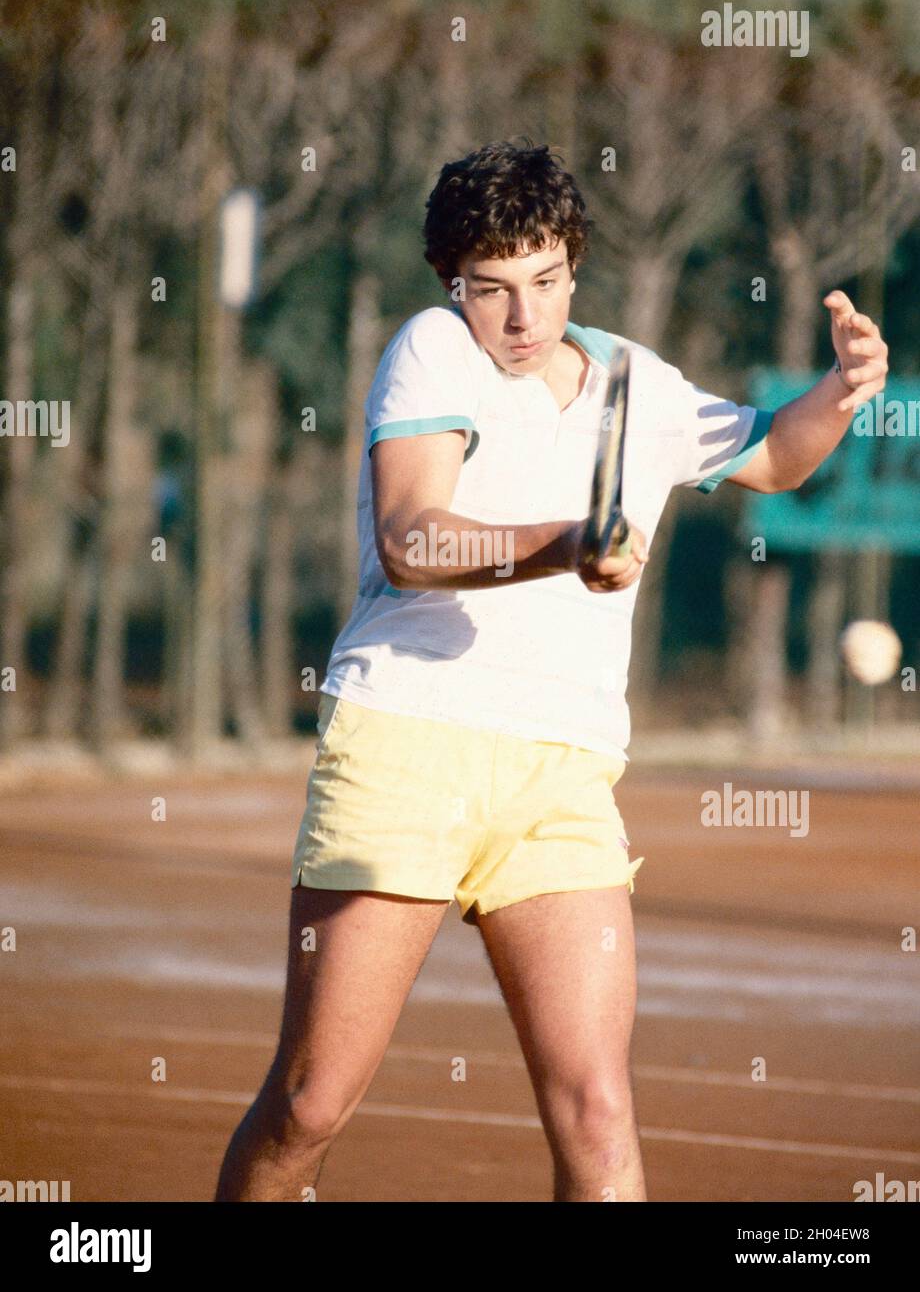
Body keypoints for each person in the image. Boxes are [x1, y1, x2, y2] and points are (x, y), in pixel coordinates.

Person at [215, 138, 889, 1202]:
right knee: (310, 1101)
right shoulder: (432, 349)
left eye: (543, 282)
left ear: (572, 265)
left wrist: (842, 390)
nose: (521, 318)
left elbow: (773, 457)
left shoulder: (634, 380)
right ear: (453, 284)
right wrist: (564, 543)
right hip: (405, 744)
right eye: (491, 290)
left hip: (562, 774)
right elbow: (410, 540)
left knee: (596, 1109)